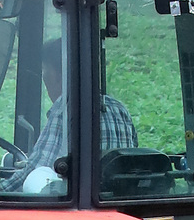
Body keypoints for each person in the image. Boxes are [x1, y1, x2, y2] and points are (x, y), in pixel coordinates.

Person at [17, 38, 137, 192]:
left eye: (45, 72)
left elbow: (34, 170)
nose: (44, 78)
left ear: (57, 75)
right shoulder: (119, 109)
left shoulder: (65, 108)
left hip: (79, 199)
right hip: (117, 198)